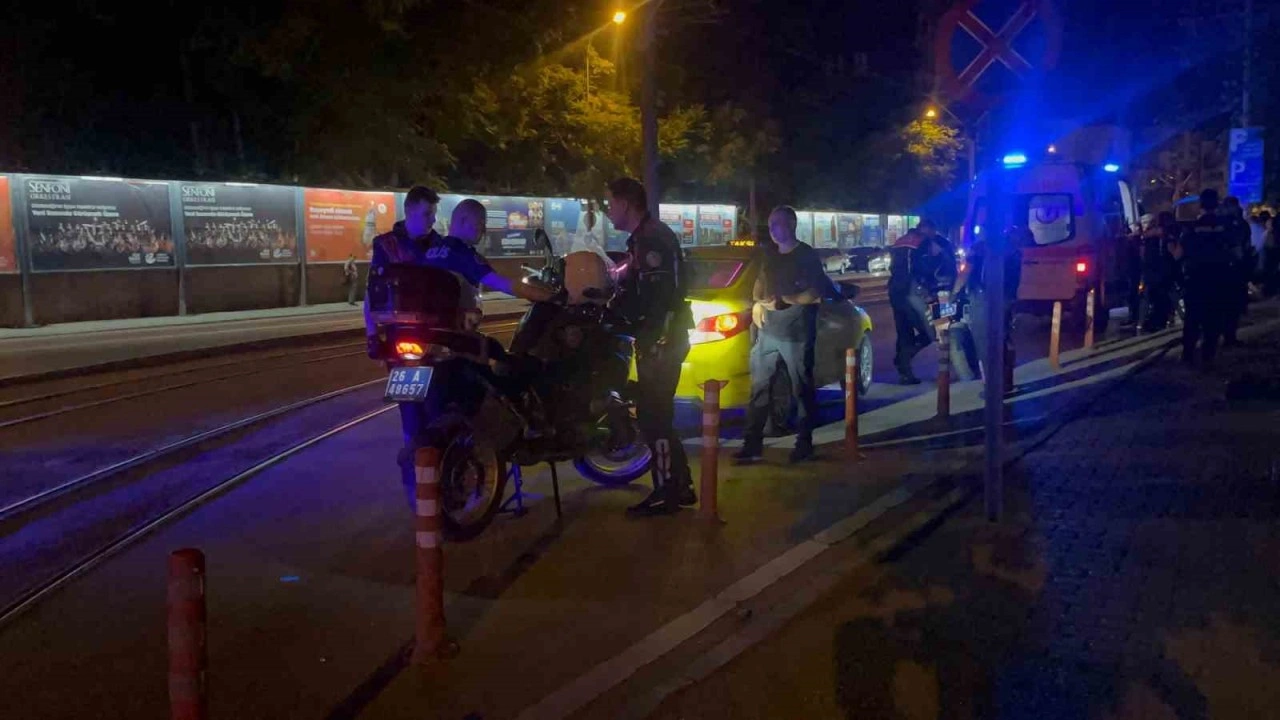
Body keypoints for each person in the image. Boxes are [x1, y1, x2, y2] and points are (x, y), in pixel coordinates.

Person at [364, 188, 557, 504]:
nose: (483, 230)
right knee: (504, 365)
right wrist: (544, 295)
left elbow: (371, 294)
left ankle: (420, 488)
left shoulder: (428, 250)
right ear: (465, 222)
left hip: (408, 343)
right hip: (450, 341)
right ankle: (521, 432)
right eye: (480, 224)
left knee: (413, 417)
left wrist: (373, 336)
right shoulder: (457, 251)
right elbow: (501, 283)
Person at [604, 177, 697, 516]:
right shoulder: (644, 238)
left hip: (661, 340)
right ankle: (680, 485)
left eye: (611, 203)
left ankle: (666, 491)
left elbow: (658, 299)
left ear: (626, 203)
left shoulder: (650, 239)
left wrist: (647, 335)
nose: (608, 210)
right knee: (658, 415)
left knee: (653, 416)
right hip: (660, 338)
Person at [735, 206, 834, 465]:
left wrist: (786, 300)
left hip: (796, 334)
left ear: (791, 225)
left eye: (776, 224)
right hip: (768, 332)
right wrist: (758, 303)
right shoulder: (769, 254)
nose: (772, 229)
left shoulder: (806, 255)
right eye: (770, 224)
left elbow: (815, 293)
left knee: (801, 388)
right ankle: (752, 445)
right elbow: (760, 282)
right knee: (759, 388)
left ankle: (804, 443)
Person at [1181, 189, 1234, 367]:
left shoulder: (1192, 227)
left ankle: (1188, 355)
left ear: (1201, 204)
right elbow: (1234, 251)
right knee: (1213, 319)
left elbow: (1183, 252)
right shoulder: (1226, 226)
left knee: (1193, 318)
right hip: (1218, 278)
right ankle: (1208, 356)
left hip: (1196, 278)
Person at [1220, 196, 1252, 346]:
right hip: (1231, 268)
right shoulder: (1232, 224)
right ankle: (1228, 336)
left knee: (1231, 305)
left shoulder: (1236, 224)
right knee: (1230, 305)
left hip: (1231, 269)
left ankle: (1228, 336)